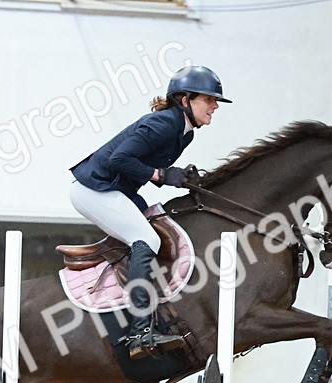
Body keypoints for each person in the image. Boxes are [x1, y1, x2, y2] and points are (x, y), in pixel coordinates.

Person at [69, 65, 230, 358]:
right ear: (185, 100)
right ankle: (139, 331)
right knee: (148, 238)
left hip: (117, 191)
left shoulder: (185, 133)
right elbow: (120, 159)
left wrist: (177, 177)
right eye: (208, 99)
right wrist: (161, 174)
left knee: (158, 223)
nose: (215, 105)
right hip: (94, 190)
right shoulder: (164, 124)